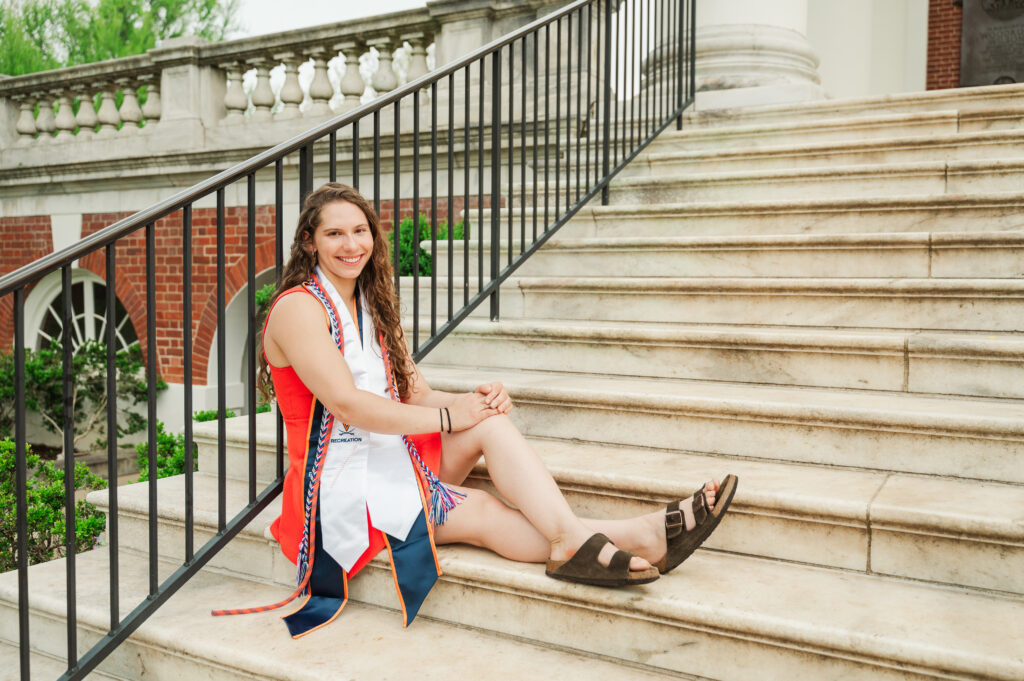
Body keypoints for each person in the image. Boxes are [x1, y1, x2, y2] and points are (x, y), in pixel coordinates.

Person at [213, 183, 737, 637]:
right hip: (342, 483)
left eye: (360, 231)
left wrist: (472, 403)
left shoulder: (369, 304)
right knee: (483, 510)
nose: (352, 245)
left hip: (393, 456)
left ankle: (574, 539)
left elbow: (415, 395)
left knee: (490, 420)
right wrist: (448, 418)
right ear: (309, 242)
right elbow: (349, 405)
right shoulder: (297, 308)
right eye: (334, 234)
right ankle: (638, 533)